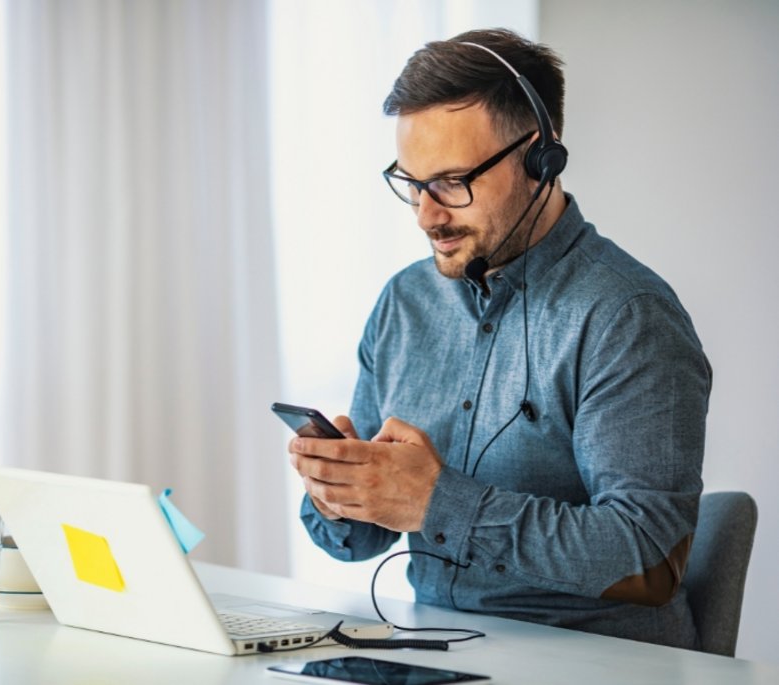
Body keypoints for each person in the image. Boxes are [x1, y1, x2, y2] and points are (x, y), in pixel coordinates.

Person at [288, 28, 711, 649]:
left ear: (538, 158)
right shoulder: (405, 303)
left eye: (452, 182)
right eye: (412, 183)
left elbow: (647, 559)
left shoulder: (628, 316)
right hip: (435, 648)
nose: (427, 214)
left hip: (593, 663)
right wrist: (343, 492)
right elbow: (358, 542)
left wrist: (436, 503)